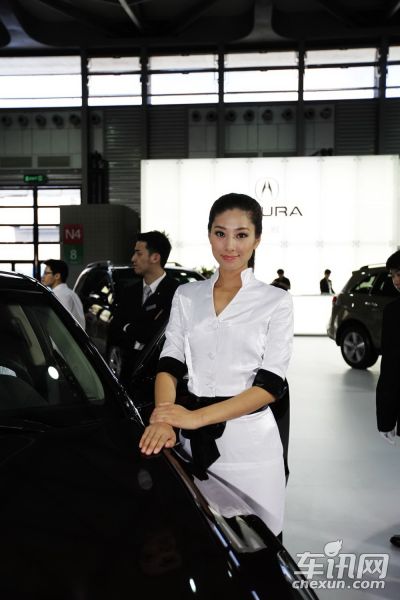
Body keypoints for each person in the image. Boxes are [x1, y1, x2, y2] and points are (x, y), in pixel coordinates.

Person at [139, 193, 294, 537]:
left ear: (257, 239)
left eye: (242, 235)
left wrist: (194, 418)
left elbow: (270, 385)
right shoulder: (187, 295)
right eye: (220, 233)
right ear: (209, 234)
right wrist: (165, 417)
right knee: (199, 541)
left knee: (258, 543)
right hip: (189, 441)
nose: (230, 245)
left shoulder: (276, 301)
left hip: (250, 448)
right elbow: (170, 362)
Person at [108, 231, 179, 384]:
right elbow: (114, 329)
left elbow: (159, 335)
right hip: (128, 376)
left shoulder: (176, 293)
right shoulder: (128, 291)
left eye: (139, 253)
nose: (133, 259)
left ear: (155, 257)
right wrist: (138, 331)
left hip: (160, 378)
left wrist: (129, 328)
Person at [376, 249, 400, 548]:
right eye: (393, 274)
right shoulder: (394, 312)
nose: (396, 279)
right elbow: (392, 366)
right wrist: (386, 417)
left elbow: (393, 367)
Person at [41, 259, 85, 329]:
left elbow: (58, 325)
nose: (43, 276)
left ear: (57, 276)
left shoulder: (60, 295)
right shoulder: (70, 293)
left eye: (46, 273)